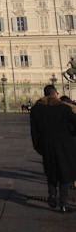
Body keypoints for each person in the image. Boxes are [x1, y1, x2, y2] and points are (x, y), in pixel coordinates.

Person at [30, 84, 76, 213]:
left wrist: (37, 145)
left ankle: (52, 195)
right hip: (64, 144)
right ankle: (64, 204)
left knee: (51, 171)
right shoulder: (63, 108)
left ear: (45, 94)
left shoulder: (36, 109)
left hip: (46, 144)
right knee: (65, 173)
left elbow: (34, 131)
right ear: (55, 93)